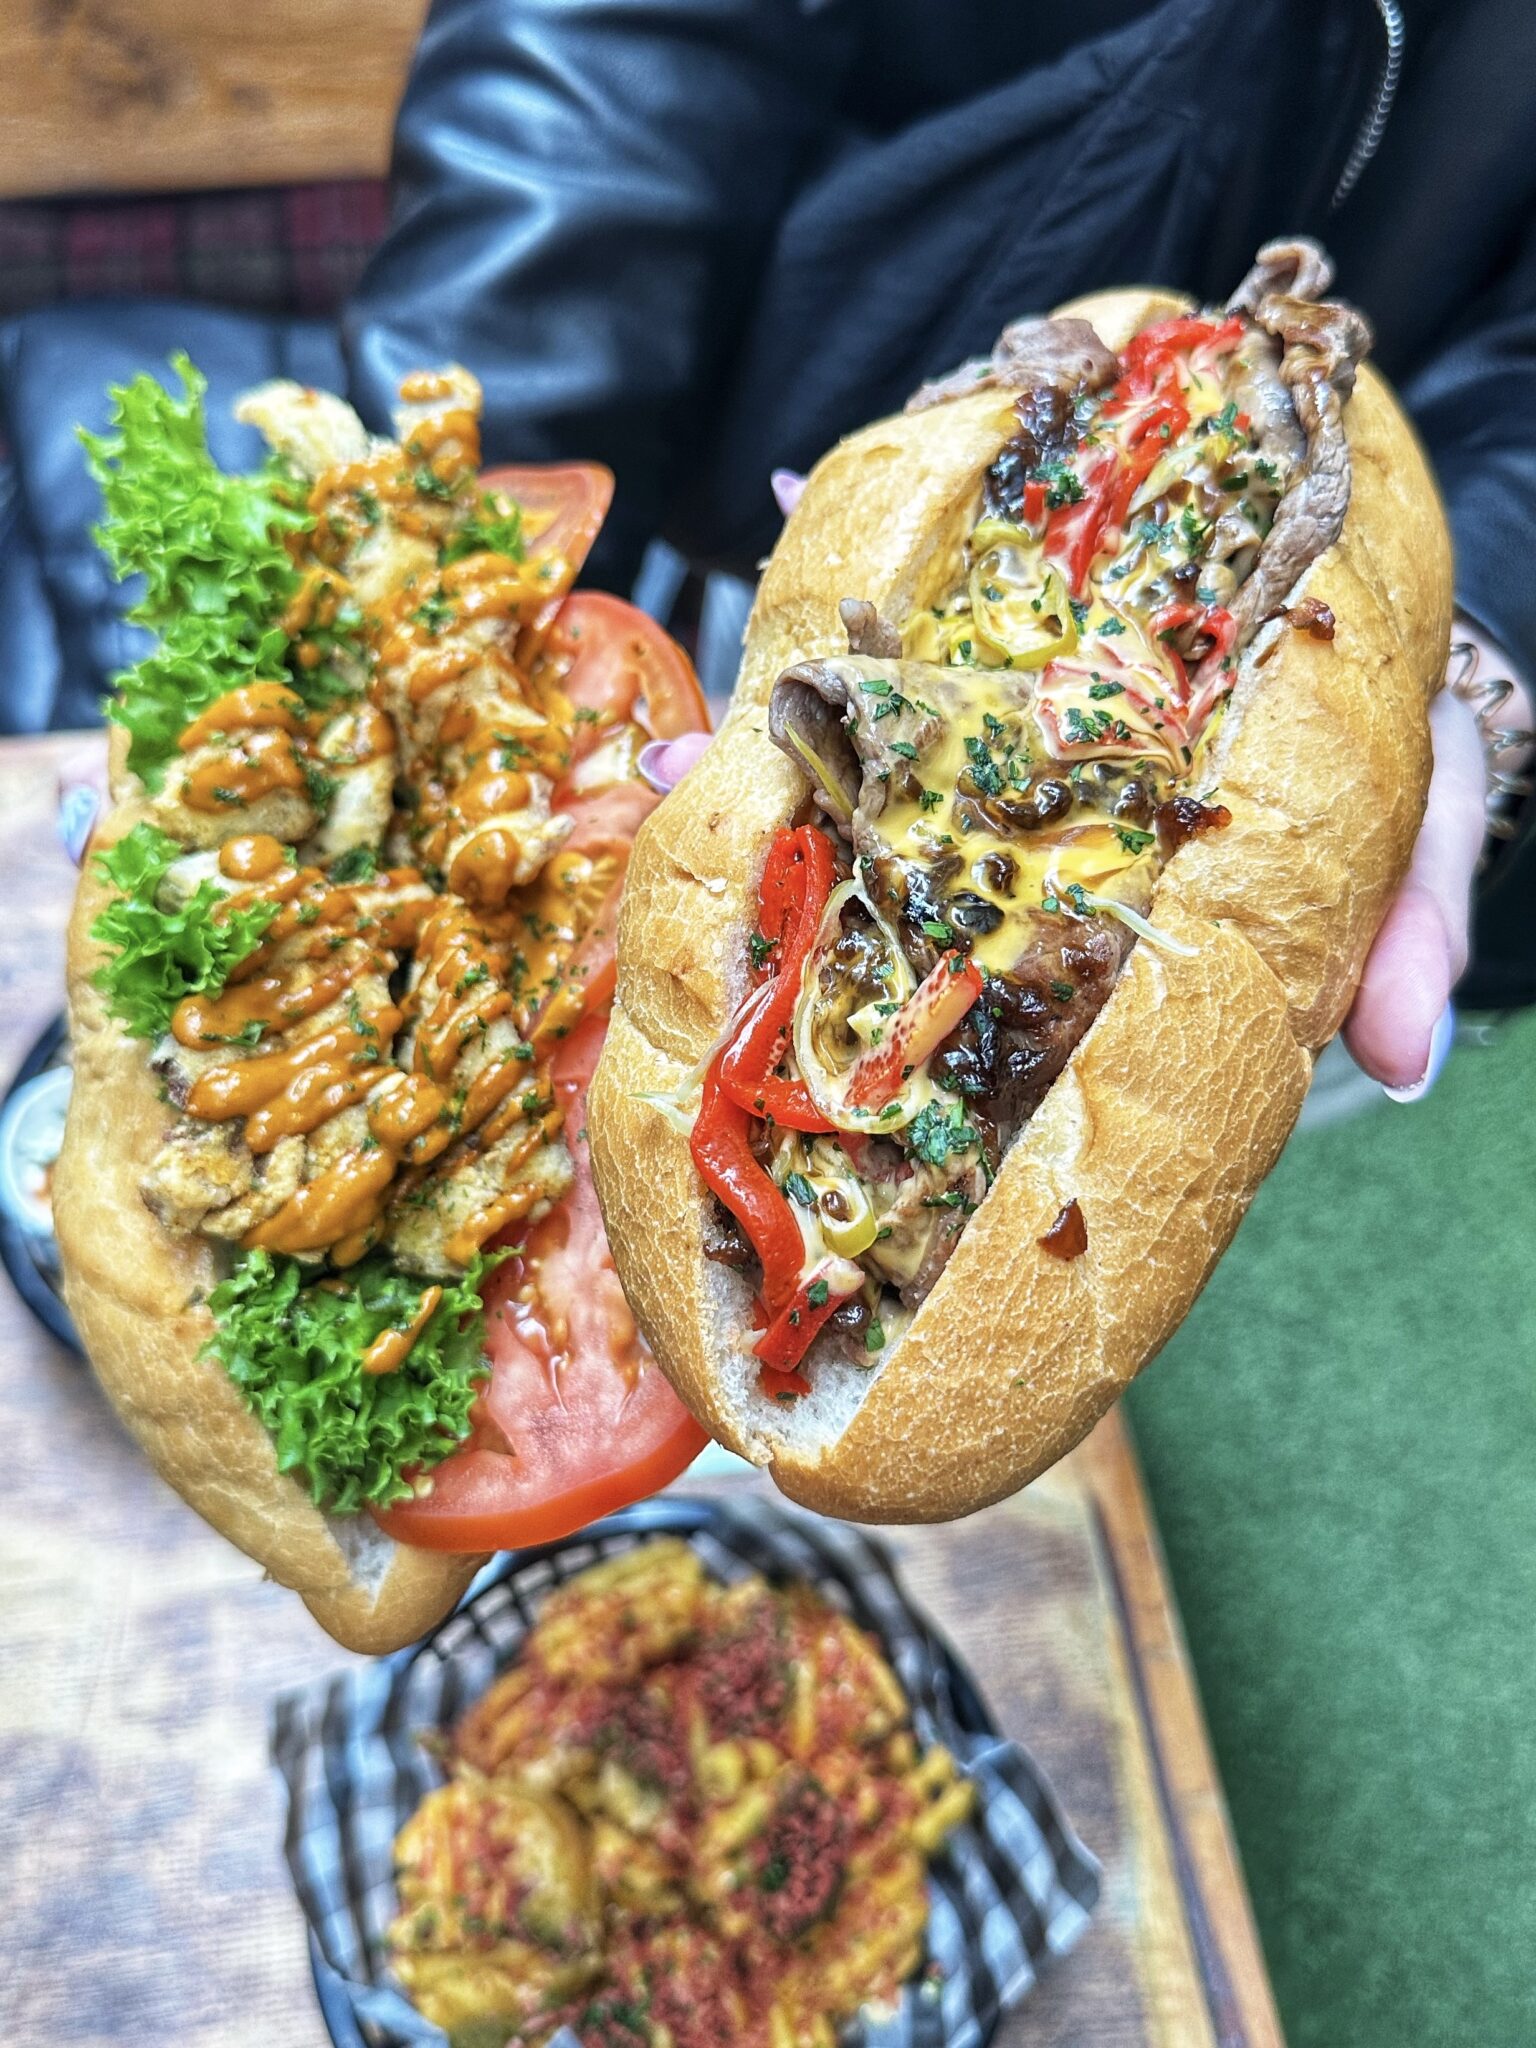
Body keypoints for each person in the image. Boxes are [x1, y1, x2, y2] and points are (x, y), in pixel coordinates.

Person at [339, 0, 1534, 1098]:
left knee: (1174, 1095)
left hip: (1405, 615)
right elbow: (612, 50)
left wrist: (1487, 636)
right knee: (742, 906)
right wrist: (476, 584)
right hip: (815, 495)